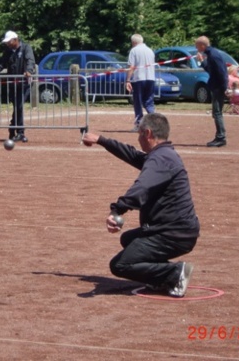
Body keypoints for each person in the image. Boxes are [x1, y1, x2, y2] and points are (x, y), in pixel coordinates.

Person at [82, 113, 199, 298]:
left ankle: (174, 273)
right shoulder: (162, 155)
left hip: (174, 234)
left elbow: (141, 188)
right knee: (128, 240)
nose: (138, 139)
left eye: (139, 134)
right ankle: (160, 278)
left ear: (148, 133)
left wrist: (117, 210)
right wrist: (101, 140)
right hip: (174, 229)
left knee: (120, 265)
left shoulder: (161, 160)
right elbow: (132, 154)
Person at [0, 31, 35, 143]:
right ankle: (14, 129)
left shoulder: (26, 48)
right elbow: (1, 64)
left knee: (19, 106)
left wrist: (29, 70)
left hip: (24, 84)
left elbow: (30, 60)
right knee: (17, 107)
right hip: (12, 84)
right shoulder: (8, 51)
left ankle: (20, 132)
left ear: (15, 39)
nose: (7, 44)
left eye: (9, 41)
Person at [196, 36, 228, 147]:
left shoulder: (213, 55)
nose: (196, 48)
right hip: (217, 86)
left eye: (197, 45)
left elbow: (222, 72)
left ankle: (221, 137)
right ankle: (220, 136)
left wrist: (224, 87)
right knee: (216, 113)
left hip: (218, 87)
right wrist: (202, 62)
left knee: (217, 113)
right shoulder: (211, 54)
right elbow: (211, 70)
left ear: (202, 45)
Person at [125, 34, 155, 131]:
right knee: (149, 102)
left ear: (133, 42)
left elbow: (131, 67)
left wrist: (128, 80)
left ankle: (139, 124)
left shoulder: (134, 51)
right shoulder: (150, 51)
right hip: (151, 78)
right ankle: (154, 123)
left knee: (138, 101)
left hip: (139, 79)